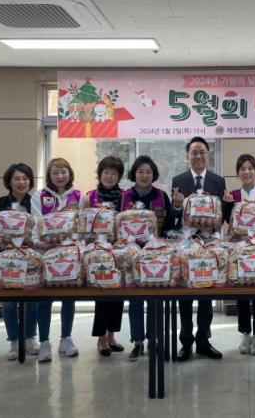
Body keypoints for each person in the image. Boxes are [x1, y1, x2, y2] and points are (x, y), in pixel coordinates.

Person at [171, 137, 226, 361]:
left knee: (206, 295)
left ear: (208, 155)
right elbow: (175, 216)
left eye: (202, 152)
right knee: (185, 296)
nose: (199, 156)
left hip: (210, 244)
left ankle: (204, 341)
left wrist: (215, 221)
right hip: (186, 244)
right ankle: (186, 342)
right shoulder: (178, 180)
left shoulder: (218, 181)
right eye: (194, 152)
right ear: (188, 156)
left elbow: (222, 216)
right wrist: (177, 206)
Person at [0, 163, 48, 360]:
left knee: (32, 302)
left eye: (25, 178)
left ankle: (29, 338)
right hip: (6, 259)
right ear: (9, 182)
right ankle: (14, 341)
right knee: (9, 303)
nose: (22, 182)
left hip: (31, 259)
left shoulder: (36, 202)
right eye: (17, 179)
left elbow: (42, 228)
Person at [120, 155, 174, 361]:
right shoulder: (126, 196)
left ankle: (153, 339)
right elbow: (118, 224)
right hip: (132, 254)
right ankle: (137, 342)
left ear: (154, 175)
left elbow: (169, 224)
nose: (144, 175)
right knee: (135, 300)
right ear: (134, 174)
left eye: (148, 172)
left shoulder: (161, 195)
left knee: (155, 301)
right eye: (140, 172)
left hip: (156, 254)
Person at [30, 157, 81, 362]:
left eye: (63, 172)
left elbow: (81, 225)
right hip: (46, 253)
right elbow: (36, 224)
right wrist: (39, 243)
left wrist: (74, 242)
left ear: (70, 174)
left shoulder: (79, 196)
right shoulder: (39, 196)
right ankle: (44, 341)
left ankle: (66, 338)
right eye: (55, 173)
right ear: (49, 176)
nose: (60, 176)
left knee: (69, 297)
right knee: (45, 299)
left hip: (70, 254)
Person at [222, 154, 255, 356]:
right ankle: (245, 333)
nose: (247, 172)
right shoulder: (233, 194)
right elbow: (228, 221)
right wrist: (227, 204)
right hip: (239, 248)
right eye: (242, 168)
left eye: (250, 168)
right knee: (241, 291)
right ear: (237, 173)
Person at [79, 156, 128, 358]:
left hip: (118, 251)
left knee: (117, 294)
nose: (109, 176)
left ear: (119, 176)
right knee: (101, 295)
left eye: (114, 173)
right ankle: (101, 337)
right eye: (106, 172)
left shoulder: (125, 197)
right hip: (96, 251)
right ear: (100, 174)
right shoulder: (89, 197)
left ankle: (112, 335)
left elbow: (128, 223)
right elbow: (80, 225)